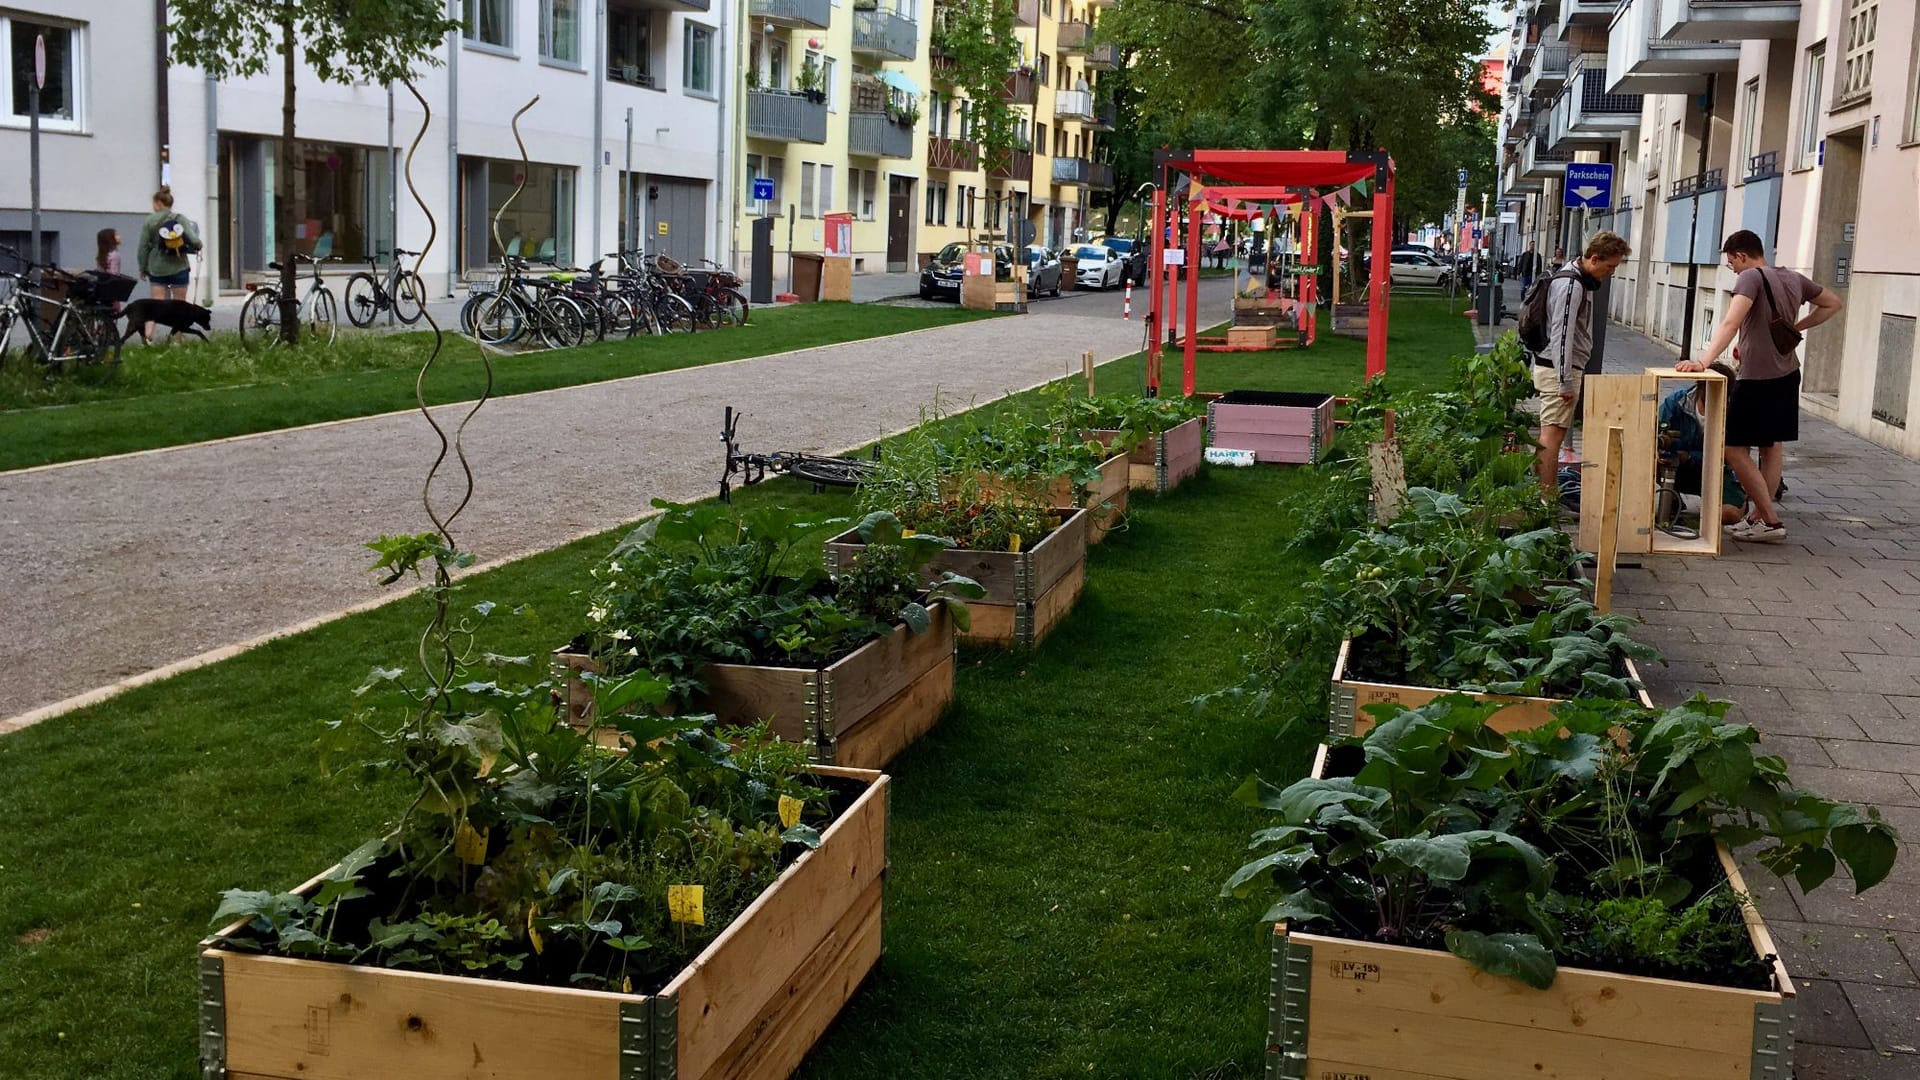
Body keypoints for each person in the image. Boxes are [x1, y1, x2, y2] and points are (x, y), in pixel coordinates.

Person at [1676, 230, 1843, 543]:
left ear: (1741, 255)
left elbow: (1730, 321)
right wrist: (1797, 327)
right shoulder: (1793, 278)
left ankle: (1770, 519)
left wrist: (1704, 361)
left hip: (1757, 378)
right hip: (1787, 374)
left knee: (1733, 448)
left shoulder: (1750, 277)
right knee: (1770, 447)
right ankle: (1757, 518)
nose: (1733, 270)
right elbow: (1833, 303)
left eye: (1731, 263)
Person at [1533, 230, 1631, 493]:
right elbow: (1561, 334)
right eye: (1610, 266)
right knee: (1551, 437)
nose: (1611, 273)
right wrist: (1565, 381)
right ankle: (1544, 497)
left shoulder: (1576, 278)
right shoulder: (1572, 285)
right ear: (1595, 259)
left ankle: (1543, 494)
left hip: (1559, 368)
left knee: (1553, 434)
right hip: (1559, 371)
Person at [1657, 362, 1746, 527]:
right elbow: (1655, 433)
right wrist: (1661, 448)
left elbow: (1731, 458)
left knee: (1730, 514)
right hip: (1677, 468)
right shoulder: (1677, 403)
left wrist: (1689, 456)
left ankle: (1695, 518)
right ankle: (1671, 499)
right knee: (1649, 462)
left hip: (1717, 473)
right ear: (1700, 386)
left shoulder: (1733, 412)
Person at [136, 188, 201, 342]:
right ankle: (177, 340)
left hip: (157, 268)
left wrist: (142, 267)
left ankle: (148, 337)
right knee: (179, 305)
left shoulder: (149, 220)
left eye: (153, 203)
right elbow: (194, 240)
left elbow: (143, 247)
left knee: (155, 305)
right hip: (179, 267)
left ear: (159, 203)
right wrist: (198, 245)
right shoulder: (180, 218)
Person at [95, 228, 125, 315]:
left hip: (103, 288)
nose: (119, 237)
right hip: (112, 289)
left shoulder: (102, 255)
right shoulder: (115, 255)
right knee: (114, 312)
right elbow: (114, 274)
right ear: (110, 239)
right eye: (116, 235)